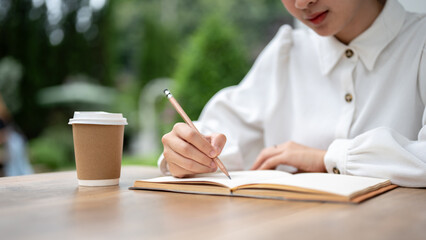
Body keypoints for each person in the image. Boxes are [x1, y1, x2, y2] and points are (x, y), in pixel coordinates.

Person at [159, 0, 426, 187]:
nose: (301, 2)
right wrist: (187, 152)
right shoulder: (287, 51)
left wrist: (327, 159)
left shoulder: (420, 44)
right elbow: (222, 133)